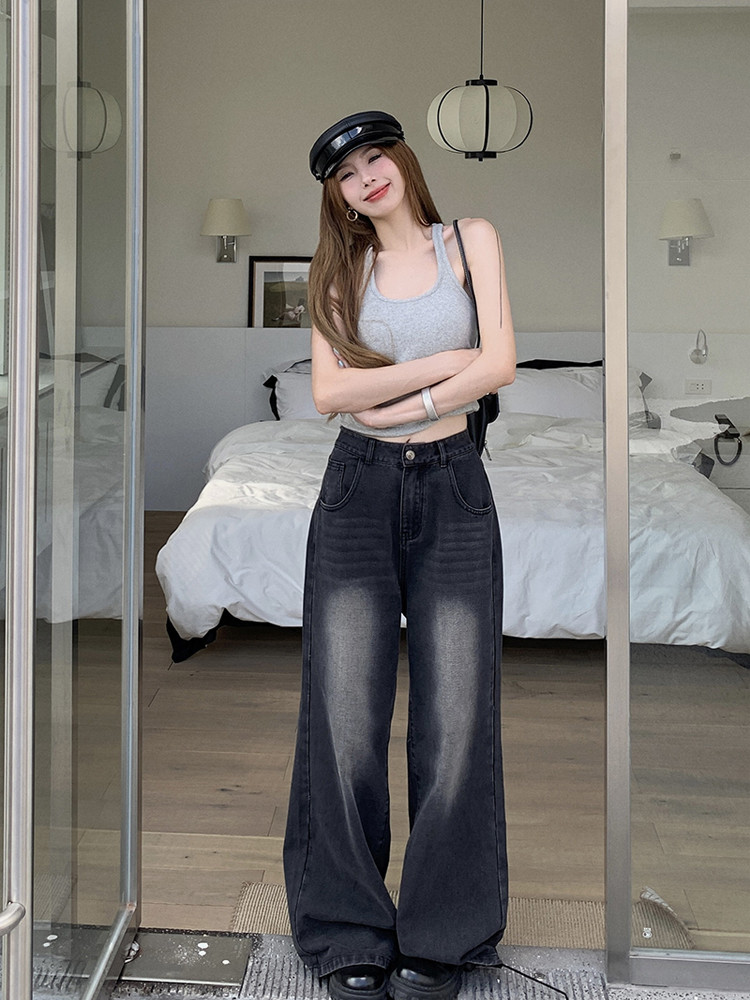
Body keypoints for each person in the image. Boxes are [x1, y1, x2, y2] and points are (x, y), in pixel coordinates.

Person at [283, 111, 516, 1000]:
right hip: (358, 490)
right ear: (339, 197)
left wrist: (397, 404)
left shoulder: (472, 240)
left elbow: (501, 364)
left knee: (456, 723)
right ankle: (346, 930)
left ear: (404, 163)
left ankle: (443, 934)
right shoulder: (340, 270)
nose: (367, 177)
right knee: (345, 721)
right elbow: (328, 393)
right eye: (347, 174)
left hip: (455, 485)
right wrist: (443, 366)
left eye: (377, 158)